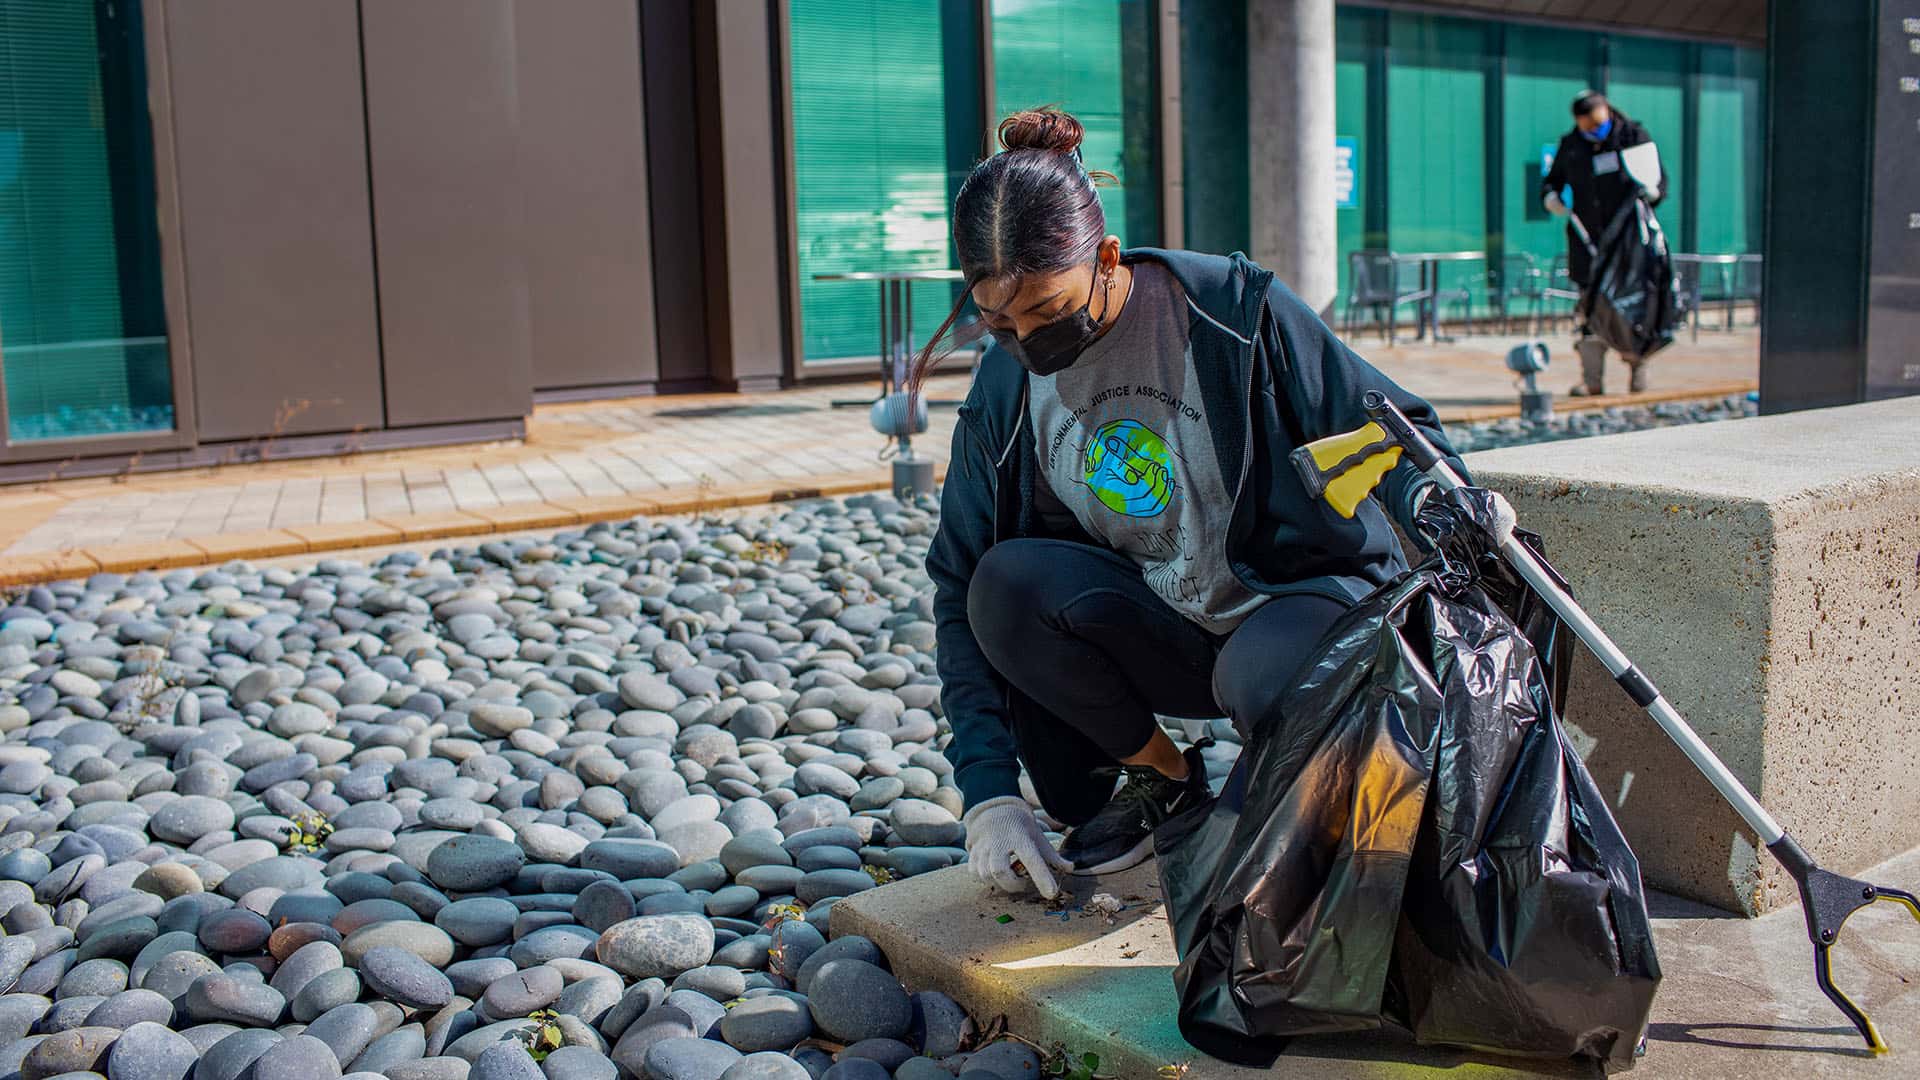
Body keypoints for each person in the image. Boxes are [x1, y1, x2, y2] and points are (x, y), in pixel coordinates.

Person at [913, 107, 1508, 899]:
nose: (1028, 340)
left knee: (1260, 692)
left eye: (1049, 312)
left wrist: (1440, 494)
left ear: (1107, 259)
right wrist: (988, 791)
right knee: (1003, 584)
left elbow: (1388, 427)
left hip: (1295, 603)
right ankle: (1164, 782)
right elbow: (958, 581)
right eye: (999, 321)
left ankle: (1299, 790)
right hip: (1174, 625)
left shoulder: (1230, 309)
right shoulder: (1006, 387)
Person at [1541, 90, 1668, 396]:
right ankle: (1592, 379)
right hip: (1588, 243)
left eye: (1598, 124)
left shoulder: (1632, 137)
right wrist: (1550, 197)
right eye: (1587, 127)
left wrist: (1654, 192)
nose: (1594, 131)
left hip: (1628, 245)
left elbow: (1658, 177)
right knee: (1590, 310)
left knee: (1633, 308)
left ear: (1607, 112)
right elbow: (1552, 180)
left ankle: (1637, 367)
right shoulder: (1572, 146)